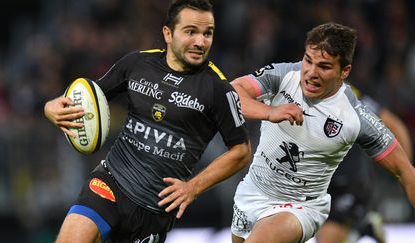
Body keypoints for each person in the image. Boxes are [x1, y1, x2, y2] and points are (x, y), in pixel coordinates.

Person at [44, 0, 251, 242]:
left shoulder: (219, 90)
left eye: (208, 33)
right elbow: (89, 96)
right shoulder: (136, 64)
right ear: (168, 33)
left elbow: (241, 151)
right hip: (110, 181)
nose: (200, 41)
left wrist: (193, 187)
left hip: (155, 209)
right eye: (191, 31)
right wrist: (50, 107)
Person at [229, 22, 415, 243]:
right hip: (253, 191)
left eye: (324, 67)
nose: (311, 73)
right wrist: (269, 111)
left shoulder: (356, 116)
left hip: (305, 205)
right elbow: (232, 94)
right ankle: (363, 226)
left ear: (344, 71)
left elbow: (405, 170)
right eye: (308, 60)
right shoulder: (284, 75)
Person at [316, 90, 413, 243]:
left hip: (348, 181)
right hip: (315, 180)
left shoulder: (347, 94)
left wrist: (405, 170)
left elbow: (393, 123)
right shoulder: (292, 87)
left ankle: (358, 225)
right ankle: (363, 225)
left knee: (328, 237)